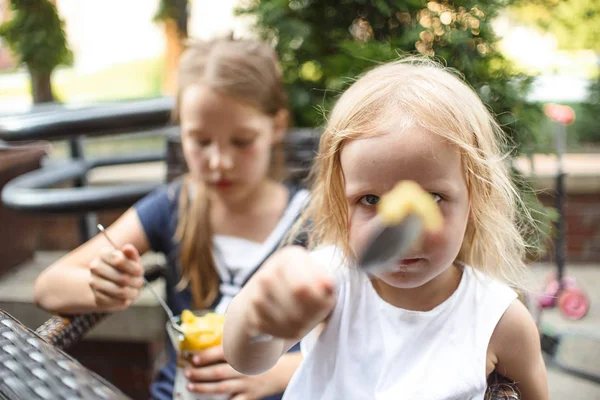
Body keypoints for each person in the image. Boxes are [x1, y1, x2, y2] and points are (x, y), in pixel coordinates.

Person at [223, 58, 549, 399]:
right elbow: (244, 359)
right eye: (370, 199)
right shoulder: (331, 281)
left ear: (475, 197)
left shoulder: (498, 319)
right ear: (341, 199)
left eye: (433, 198)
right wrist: (258, 318)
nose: (399, 230)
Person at [33, 37, 308, 400]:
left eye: (241, 141)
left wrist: (281, 372)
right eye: (200, 141)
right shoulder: (173, 205)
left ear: (276, 126)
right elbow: (48, 287)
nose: (218, 162)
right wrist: (101, 287)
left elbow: (364, 332)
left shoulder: (312, 220)